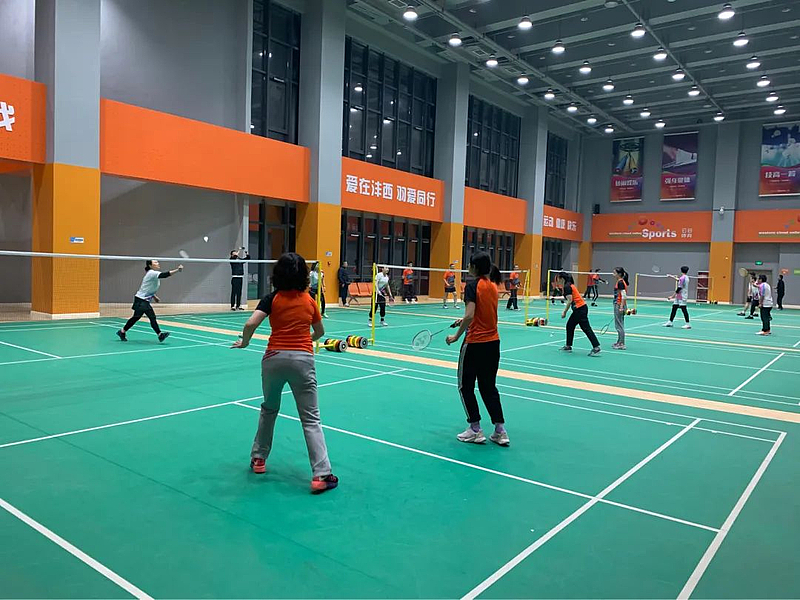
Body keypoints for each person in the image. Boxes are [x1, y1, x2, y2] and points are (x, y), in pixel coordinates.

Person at [232, 252, 338, 494]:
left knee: (269, 409)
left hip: (273, 360)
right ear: (304, 276)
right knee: (310, 418)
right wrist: (305, 340)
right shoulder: (309, 300)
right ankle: (321, 475)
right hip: (302, 361)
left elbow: (250, 324)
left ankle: (259, 459)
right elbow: (320, 332)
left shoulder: (272, 299)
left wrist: (245, 343)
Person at [446, 251, 509, 446]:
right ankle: (500, 431)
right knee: (488, 387)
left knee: (465, 387)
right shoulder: (493, 286)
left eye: (469, 264)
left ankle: (475, 429)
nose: (467, 267)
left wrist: (456, 336)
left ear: (474, 267)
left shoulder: (472, 286)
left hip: (474, 344)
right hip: (493, 343)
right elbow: (481, 313)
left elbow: (470, 315)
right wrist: (464, 320)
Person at [116, 260, 183, 342]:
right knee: (151, 317)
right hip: (141, 300)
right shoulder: (152, 273)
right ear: (150, 265)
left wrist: (154, 296)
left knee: (136, 318)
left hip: (142, 299)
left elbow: (148, 287)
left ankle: (122, 331)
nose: (158, 263)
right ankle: (160, 335)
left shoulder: (152, 274)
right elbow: (164, 275)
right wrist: (177, 270)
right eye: (155, 262)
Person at [558, 271, 601, 357]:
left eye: (558, 278)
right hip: (581, 308)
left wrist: (564, 312)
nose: (557, 280)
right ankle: (568, 346)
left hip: (580, 309)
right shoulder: (569, 285)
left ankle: (596, 347)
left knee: (585, 328)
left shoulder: (567, 286)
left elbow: (570, 300)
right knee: (571, 326)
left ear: (562, 279)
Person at [612, 267, 628, 350]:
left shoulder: (620, 282)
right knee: (619, 324)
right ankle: (619, 341)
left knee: (619, 325)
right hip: (619, 304)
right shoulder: (620, 281)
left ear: (619, 274)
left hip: (619, 305)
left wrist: (621, 307)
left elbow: (624, 295)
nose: (613, 274)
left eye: (614, 273)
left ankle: (621, 344)